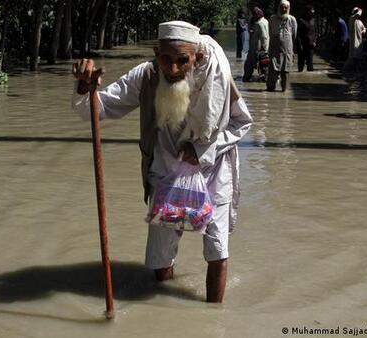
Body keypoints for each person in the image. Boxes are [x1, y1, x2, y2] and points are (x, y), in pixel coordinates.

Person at [71, 21, 253, 303]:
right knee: (160, 256)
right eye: (166, 59)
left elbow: (242, 122)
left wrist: (204, 148)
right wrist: (85, 88)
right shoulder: (145, 76)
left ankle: (214, 317)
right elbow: (98, 108)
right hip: (165, 175)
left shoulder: (217, 78)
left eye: (183, 61)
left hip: (213, 175)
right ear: (156, 52)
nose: (173, 69)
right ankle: (161, 305)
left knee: (217, 252)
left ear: (198, 58)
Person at [267, 0, 297, 92]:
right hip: (274, 48)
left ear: (288, 9)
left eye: (285, 7)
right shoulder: (272, 19)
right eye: (282, 7)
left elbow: (294, 35)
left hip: (287, 49)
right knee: (272, 69)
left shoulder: (292, 19)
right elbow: (270, 33)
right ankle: (270, 90)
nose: (283, 9)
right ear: (278, 8)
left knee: (286, 70)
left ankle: (284, 91)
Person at [242, 7, 269, 82]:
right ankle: (264, 79)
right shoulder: (265, 21)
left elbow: (264, 37)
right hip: (260, 48)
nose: (252, 16)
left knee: (249, 65)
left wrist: (264, 49)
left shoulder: (259, 24)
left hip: (258, 48)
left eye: (253, 14)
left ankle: (246, 79)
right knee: (263, 66)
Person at [297, 5, 317, 72]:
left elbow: (315, 32)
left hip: (311, 45)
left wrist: (315, 41)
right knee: (300, 66)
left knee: (310, 66)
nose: (313, 11)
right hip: (303, 45)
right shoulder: (301, 21)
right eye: (312, 10)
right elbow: (298, 34)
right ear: (308, 11)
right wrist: (300, 45)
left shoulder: (313, 20)